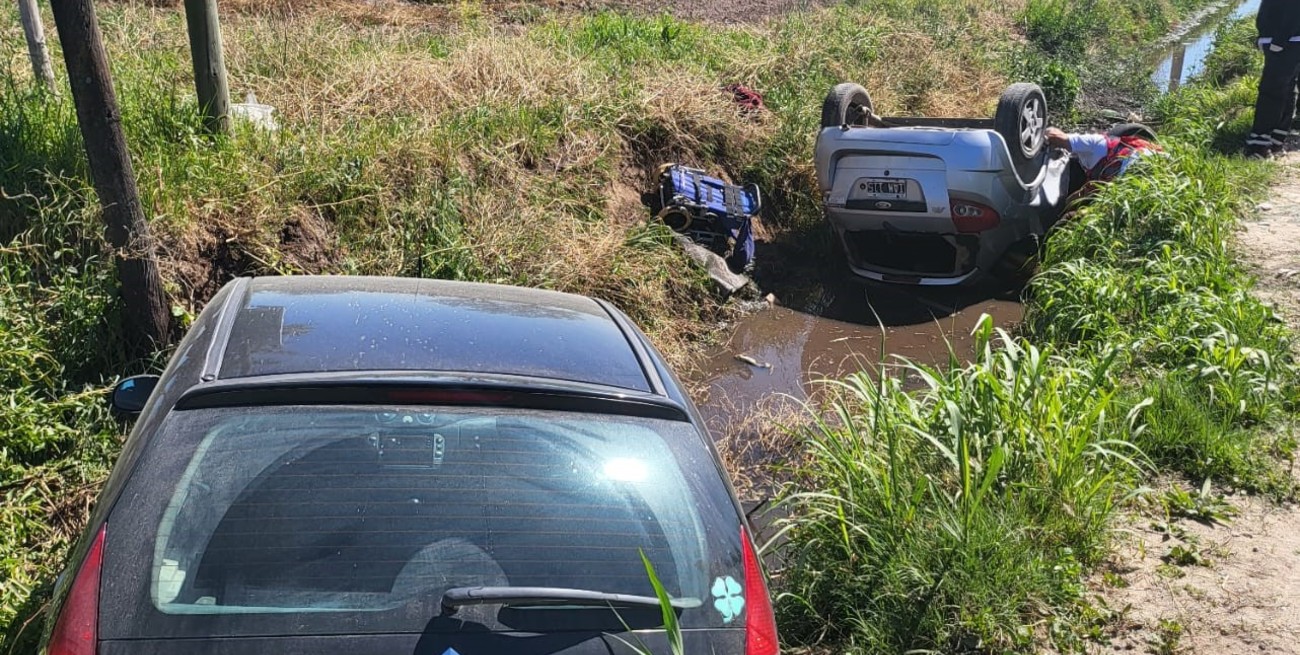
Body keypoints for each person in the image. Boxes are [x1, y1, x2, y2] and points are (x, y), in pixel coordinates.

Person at [1245, 0, 1300, 158]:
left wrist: (1279, 40)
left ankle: (1259, 146)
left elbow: (1293, 8)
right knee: (1286, 89)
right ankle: (1275, 140)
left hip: (1285, 41)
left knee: (1271, 92)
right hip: (1287, 39)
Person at [1045, 124, 1160, 188]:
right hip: (1081, 167)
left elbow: (1056, 136)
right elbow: (1056, 136)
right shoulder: (1099, 145)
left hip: (1132, 167)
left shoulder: (1097, 143)